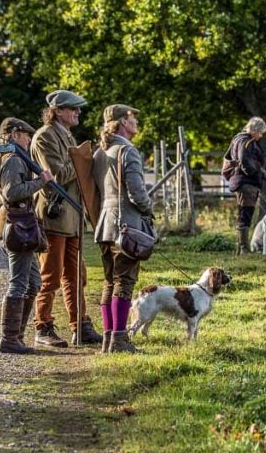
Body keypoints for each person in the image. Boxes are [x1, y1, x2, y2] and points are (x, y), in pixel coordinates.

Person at [30, 90, 102, 346]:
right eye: (73, 108)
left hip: (72, 216)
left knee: (76, 275)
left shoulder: (66, 135)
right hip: (55, 213)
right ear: (58, 111)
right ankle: (42, 326)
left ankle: (80, 325)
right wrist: (83, 160)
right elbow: (57, 175)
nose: (78, 112)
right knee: (50, 274)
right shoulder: (44, 137)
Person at [92, 104, 153, 353]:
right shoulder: (127, 151)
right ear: (122, 123)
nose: (136, 121)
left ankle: (109, 338)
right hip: (127, 225)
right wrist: (148, 209)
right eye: (132, 118)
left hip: (105, 224)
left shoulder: (100, 153)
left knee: (109, 282)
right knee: (125, 282)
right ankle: (119, 340)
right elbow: (137, 193)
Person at [0, 117, 54, 354]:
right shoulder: (14, 159)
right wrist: (40, 182)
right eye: (26, 135)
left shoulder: (11, 157)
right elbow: (13, 192)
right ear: (15, 135)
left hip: (21, 225)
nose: (29, 139)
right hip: (18, 226)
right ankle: (9, 339)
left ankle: (16, 337)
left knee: (34, 283)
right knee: (18, 284)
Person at [226, 116, 266, 255]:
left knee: (243, 214)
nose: (261, 136)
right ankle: (244, 249)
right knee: (246, 214)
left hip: (241, 181)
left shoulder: (237, 138)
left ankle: (240, 249)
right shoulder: (247, 141)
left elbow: (228, 158)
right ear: (254, 130)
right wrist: (254, 172)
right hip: (247, 182)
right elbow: (244, 159)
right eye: (260, 133)